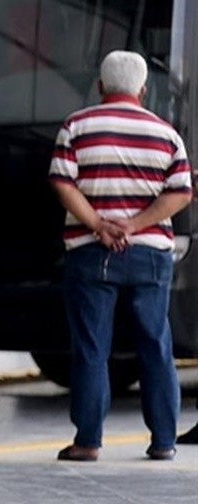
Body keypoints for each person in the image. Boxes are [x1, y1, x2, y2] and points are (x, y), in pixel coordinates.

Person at [49, 51, 192, 462]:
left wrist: (99, 224)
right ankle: (164, 441)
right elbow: (180, 192)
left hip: (90, 253)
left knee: (93, 347)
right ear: (143, 90)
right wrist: (137, 224)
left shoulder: (77, 126)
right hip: (150, 256)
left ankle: (88, 441)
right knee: (155, 343)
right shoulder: (166, 134)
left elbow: (62, 183)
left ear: (100, 86)